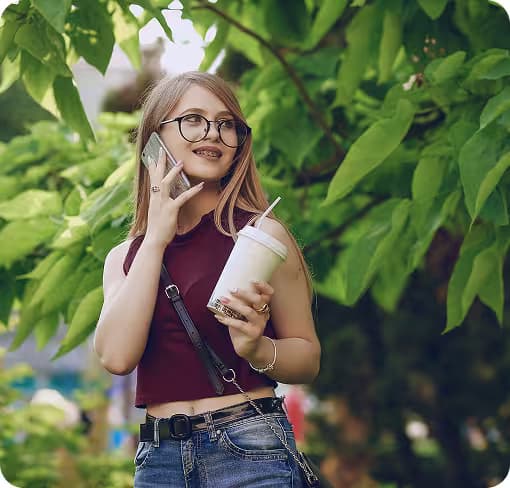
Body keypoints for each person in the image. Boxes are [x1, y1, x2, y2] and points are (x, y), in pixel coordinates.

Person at [93, 71, 321, 487]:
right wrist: (157, 238)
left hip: (250, 447)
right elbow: (116, 357)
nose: (213, 133)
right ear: (154, 139)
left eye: (226, 123)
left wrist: (256, 347)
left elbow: (307, 357)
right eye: (193, 119)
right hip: (159, 461)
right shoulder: (123, 258)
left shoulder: (259, 236)